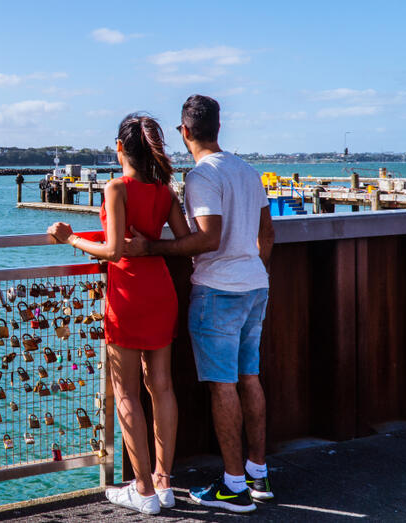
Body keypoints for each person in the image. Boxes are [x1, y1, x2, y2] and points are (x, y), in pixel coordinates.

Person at [126, 94, 275, 514]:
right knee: (250, 377)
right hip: (254, 287)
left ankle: (233, 486)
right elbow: (267, 233)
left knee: (223, 385)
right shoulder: (247, 170)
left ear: (185, 131)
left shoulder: (201, 176)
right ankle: (257, 474)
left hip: (219, 291)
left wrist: (152, 246)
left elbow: (209, 236)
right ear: (219, 128)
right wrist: (254, 269)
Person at [48, 113, 189, 515]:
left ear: (121, 147)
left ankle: (141, 490)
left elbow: (113, 251)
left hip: (128, 295)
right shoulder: (164, 191)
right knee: (161, 387)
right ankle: (163, 483)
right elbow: (183, 242)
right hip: (161, 290)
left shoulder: (116, 187)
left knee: (126, 391)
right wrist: (147, 244)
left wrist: (70, 237)